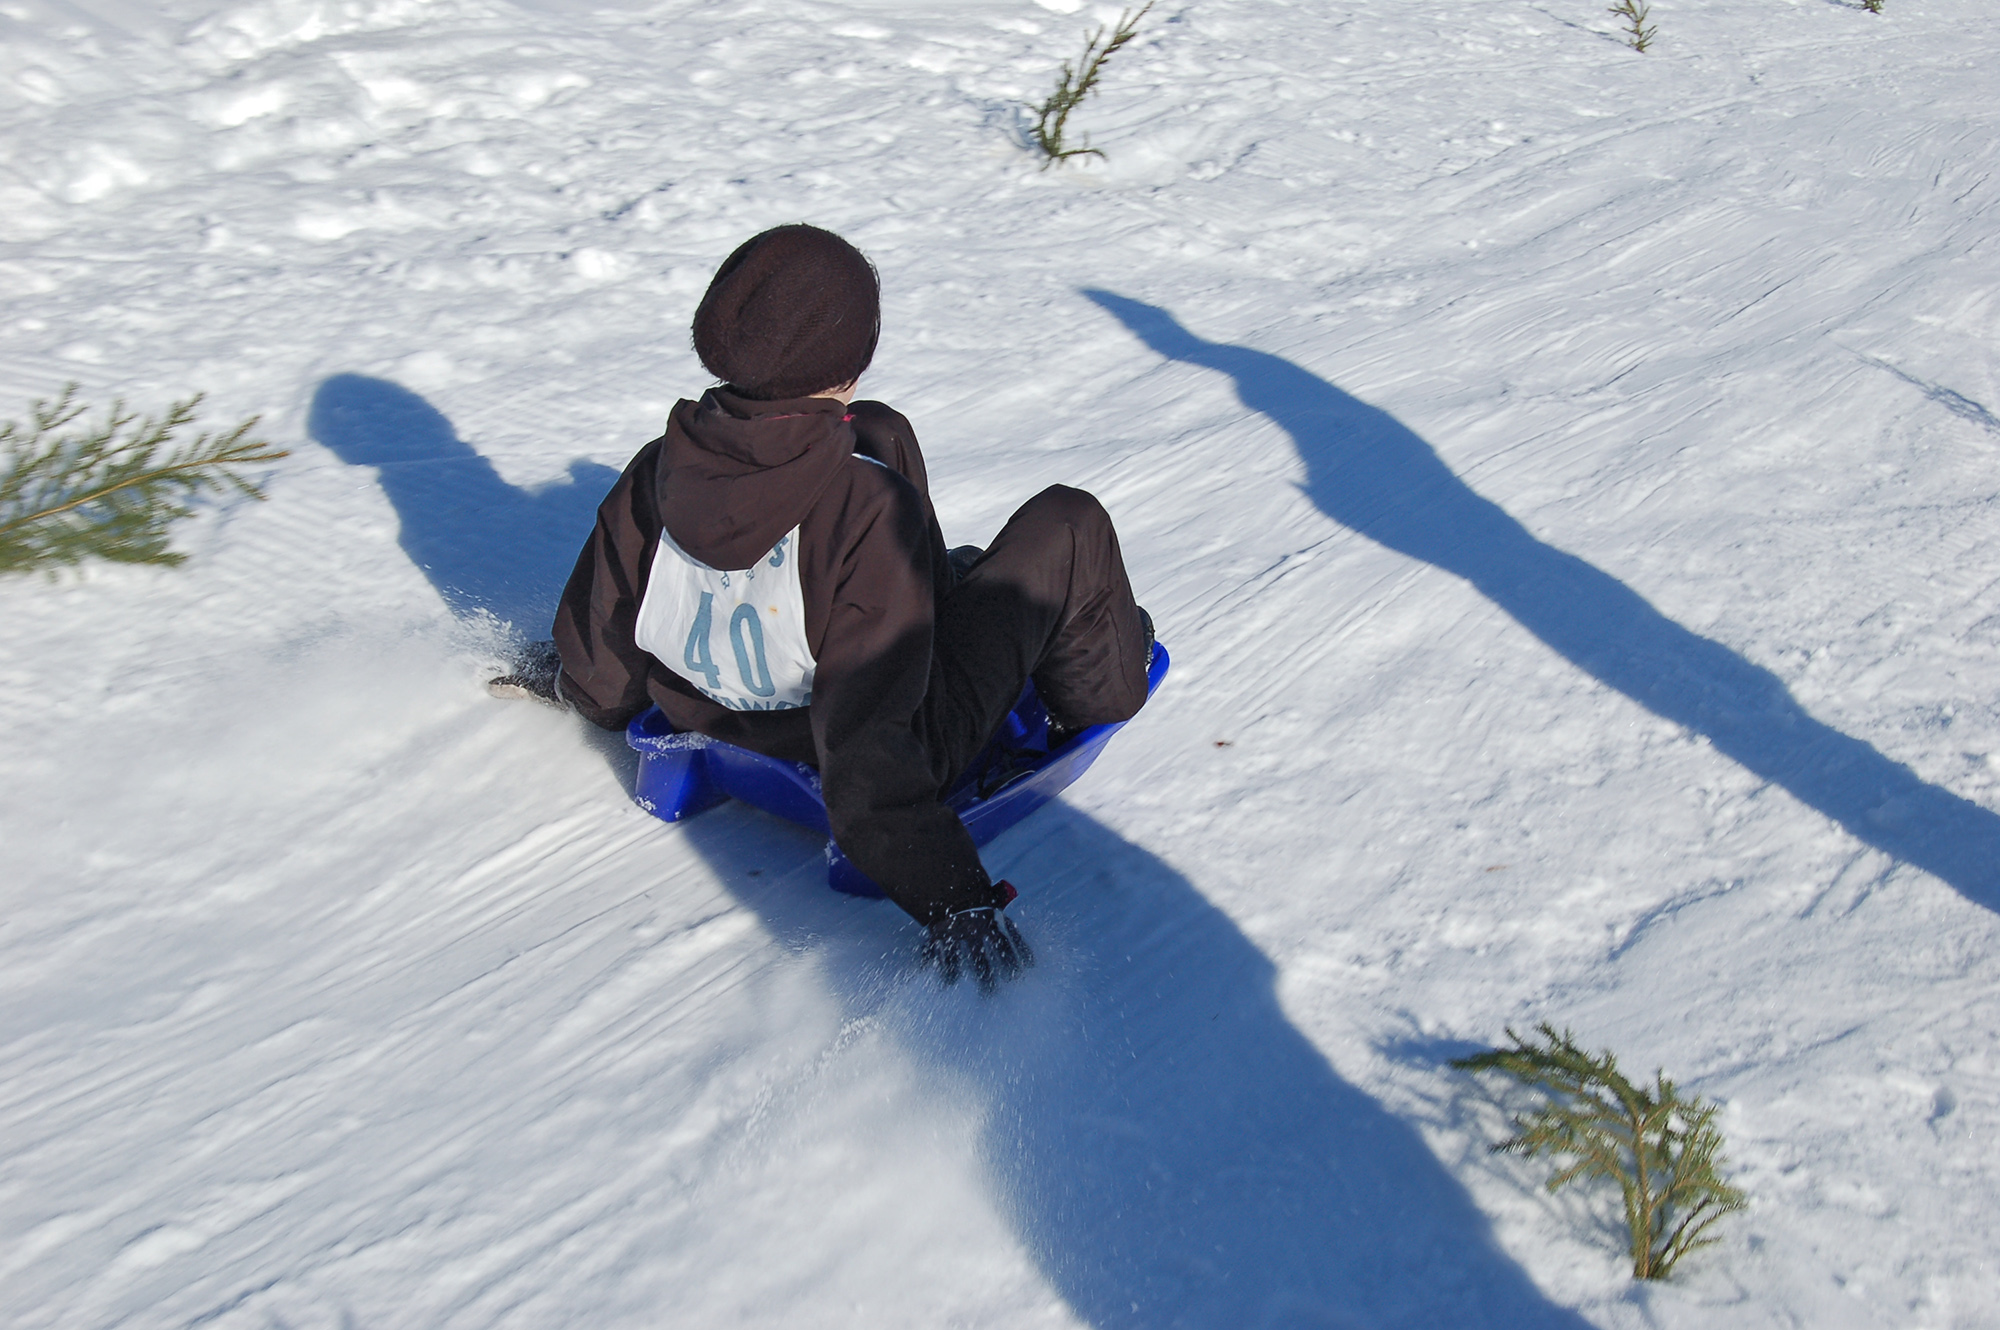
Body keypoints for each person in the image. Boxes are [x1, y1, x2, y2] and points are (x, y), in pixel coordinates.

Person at [491, 224, 1153, 989]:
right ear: (849, 357)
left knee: (879, 427)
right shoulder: (866, 513)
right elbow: (871, 754)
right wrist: (953, 898)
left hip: (713, 713)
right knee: (1067, 523)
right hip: (883, 754)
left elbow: (604, 670)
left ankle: (934, 599)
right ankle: (1107, 667)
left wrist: (570, 682)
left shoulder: (656, 472)